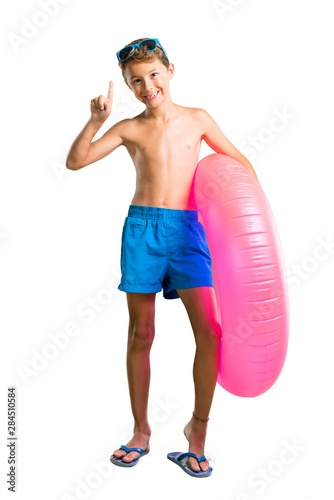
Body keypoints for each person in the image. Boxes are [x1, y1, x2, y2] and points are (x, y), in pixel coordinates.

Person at [66, 37, 258, 478]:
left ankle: (198, 434)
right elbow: (75, 162)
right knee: (141, 333)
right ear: (128, 86)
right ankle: (141, 431)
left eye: (153, 74)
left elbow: (241, 164)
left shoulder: (198, 119)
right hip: (143, 231)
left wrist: (247, 225)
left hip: (190, 230)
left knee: (210, 331)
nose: (147, 85)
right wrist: (95, 121)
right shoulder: (129, 129)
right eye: (136, 80)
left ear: (171, 70)